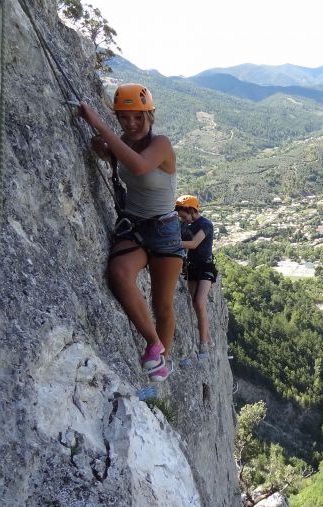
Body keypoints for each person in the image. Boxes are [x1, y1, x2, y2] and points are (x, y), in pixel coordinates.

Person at [77, 83, 182, 382]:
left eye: (138, 117)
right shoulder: (123, 140)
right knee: (119, 274)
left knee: (162, 305)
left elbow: (137, 167)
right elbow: (119, 158)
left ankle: (163, 362)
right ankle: (154, 344)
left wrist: (98, 124)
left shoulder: (161, 144)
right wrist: (103, 151)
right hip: (134, 226)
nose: (132, 124)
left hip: (164, 230)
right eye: (124, 117)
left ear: (150, 115)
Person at [175, 195, 217, 359]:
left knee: (199, 302)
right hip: (192, 267)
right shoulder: (185, 225)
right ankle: (208, 338)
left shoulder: (205, 225)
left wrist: (171, 242)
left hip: (206, 266)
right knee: (195, 303)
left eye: (184, 215)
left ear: (192, 210)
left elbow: (193, 244)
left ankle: (203, 344)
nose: (183, 219)